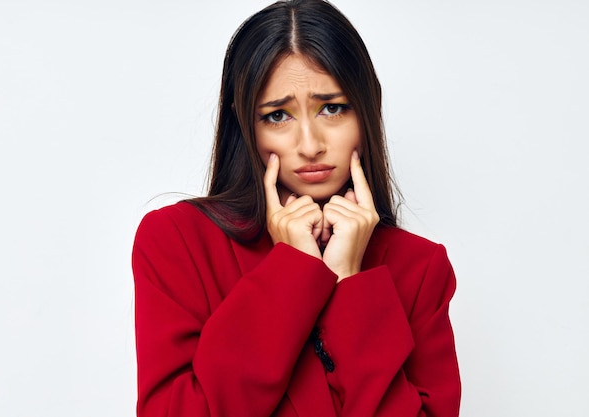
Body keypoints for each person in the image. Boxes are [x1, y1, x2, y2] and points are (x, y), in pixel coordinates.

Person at [131, 1, 461, 416]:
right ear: (246, 123)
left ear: (367, 108)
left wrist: (348, 282)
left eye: (333, 108)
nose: (310, 144)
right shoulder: (177, 240)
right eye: (278, 115)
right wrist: (292, 271)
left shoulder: (420, 267)